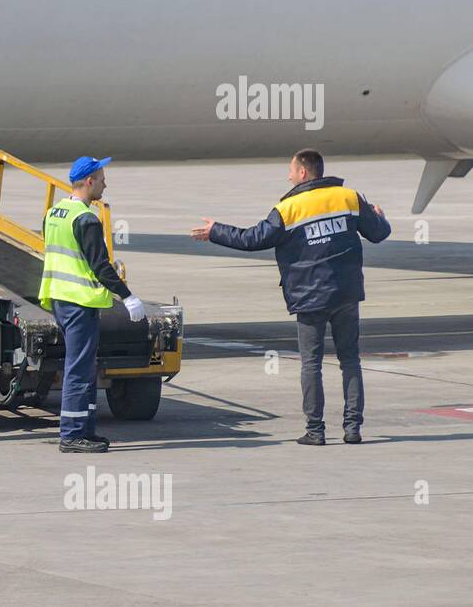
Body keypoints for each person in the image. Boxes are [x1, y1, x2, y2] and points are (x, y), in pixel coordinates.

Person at [191, 149, 391, 445]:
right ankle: (352, 429)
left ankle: (315, 431)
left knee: (311, 363)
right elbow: (378, 234)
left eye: (291, 170)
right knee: (350, 360)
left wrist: (215, 231)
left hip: (310, 297)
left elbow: (253, 239)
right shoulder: (348, 198)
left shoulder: (289, 208)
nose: (288, 175)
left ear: (302, 173)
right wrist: (380, 217)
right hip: (346, 293)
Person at [39, 157, 144, 454]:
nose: (104, 183)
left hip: (60, 297)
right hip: (78, 301)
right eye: (101, 178)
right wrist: (128, 296)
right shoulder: (86, 219)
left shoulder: (54, 213)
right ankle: (72, 435)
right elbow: (100, 266)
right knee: (78, 368)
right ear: (88, 181)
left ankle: (84, 429)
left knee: (86, 367)